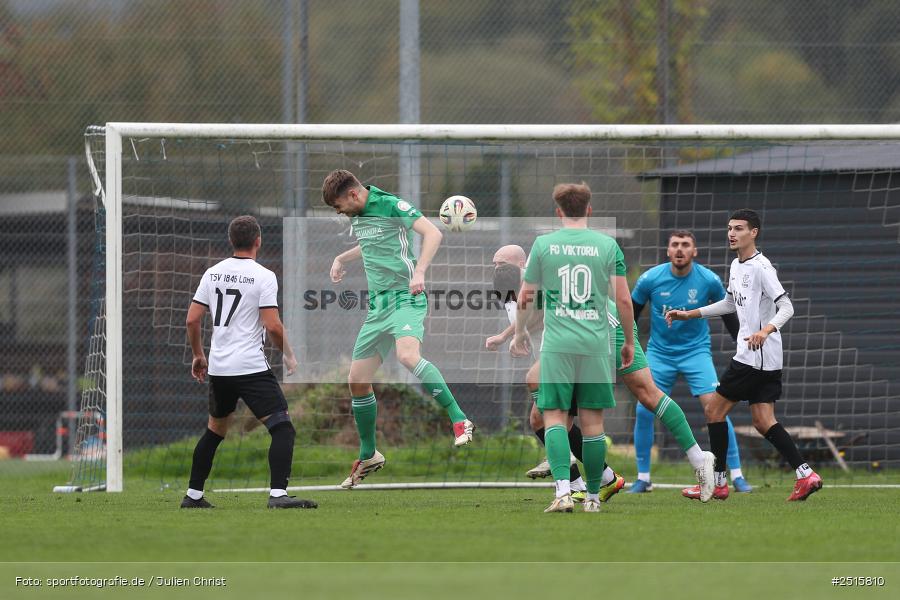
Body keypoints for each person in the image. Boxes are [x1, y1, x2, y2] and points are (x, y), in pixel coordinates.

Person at [510, 182, 715, 513]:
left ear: (557, 212)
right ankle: (592, 478)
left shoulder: (546, 248)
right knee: (540, 396)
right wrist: (514, 330)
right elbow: (539, 305)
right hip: (589, 334)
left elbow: (531, 301)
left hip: (608, 329)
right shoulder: (595, 246)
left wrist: (517, 331)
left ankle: (695, 458)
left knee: (643, 394)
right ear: (589, 210)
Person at [323, 170, 474, 490]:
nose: (339, 213)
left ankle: (460, 420)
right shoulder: (358, 215)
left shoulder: (391, 205)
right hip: (378, 307)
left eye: (338, 206)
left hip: (407, 298)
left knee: (407, 356)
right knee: (357, 380)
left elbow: (434, 233)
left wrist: (419, 272)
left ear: (352, 195)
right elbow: (370, 244)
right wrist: (342, 257)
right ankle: (369, 454)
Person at [667, 209, 823, 502]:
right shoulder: (737, 265)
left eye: (739, 228)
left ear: (754, 233)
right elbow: (728, 303)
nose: (732, 233)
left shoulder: (762, 268)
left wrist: (765, 330)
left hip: (754, 356)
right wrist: (690, 314)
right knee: (764, 421)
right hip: (765, 359)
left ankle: (718, 482)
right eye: (729, 228)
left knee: (714, 410)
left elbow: (787, 307)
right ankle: (806, 474)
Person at [182, 215, 316, 509]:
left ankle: (192, 496)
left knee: (214, 432)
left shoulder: (212, 273)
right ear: (258, 241)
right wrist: (289, 355)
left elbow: (192, 319)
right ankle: (278, 495)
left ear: (231, 241)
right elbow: (273, 326)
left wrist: (198, 354)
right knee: (282, 428)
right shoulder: (263, 275)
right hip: (250, 368)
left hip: (219, 368)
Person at [487, 246, 624, 504]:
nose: (497, 268)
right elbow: (525, 319)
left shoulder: (540, 281)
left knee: (548, 413)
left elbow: (548, 315)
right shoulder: (506, 288)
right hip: (553, 355)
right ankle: (600, 479)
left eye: (502, 262)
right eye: (494, 263)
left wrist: (517, 335)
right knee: (539, 420)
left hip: (570, 352)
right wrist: (509, 335)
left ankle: (571, 481)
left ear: (521, 263)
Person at [629, 230, 751, 494]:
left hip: (696, 353)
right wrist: (627, 345)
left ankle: (737, 475)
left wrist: (742, 345)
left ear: (694, 251)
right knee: (643, 410)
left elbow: (729, 312)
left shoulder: (708, 280)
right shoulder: (650, 279)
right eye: (675, 245)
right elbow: (631, 314)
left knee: (716, 409)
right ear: (668, 251)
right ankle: (643, 477)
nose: (680, 249)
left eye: (686, 245)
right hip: (659, 353)